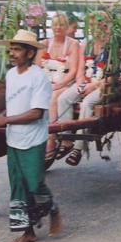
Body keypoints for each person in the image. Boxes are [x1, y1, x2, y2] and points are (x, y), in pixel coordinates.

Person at [0, 29, 62, 242]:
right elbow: (12, 107)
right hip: (13, 139)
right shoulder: (11, 75)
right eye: (11, 49)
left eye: (17, 49)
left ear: (30, 53)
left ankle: (52, 208)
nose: (12, 53)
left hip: (32, 139)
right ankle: (28, 232)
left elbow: (36, 113)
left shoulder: (39, 77)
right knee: (17, 186)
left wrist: (4, 121)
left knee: (35, 184)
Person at [57, 11, 112, 166]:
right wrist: (82, 85)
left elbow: (113, 75)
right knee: (64, 98)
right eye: (92, 25)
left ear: (105, 26)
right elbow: (81, 70)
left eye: (98, 24)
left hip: (105, 85)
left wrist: (93, 85)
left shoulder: (112, 45)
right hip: (87, 81)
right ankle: (66, 140)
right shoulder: (87, 44)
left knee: (87, 102)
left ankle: (78, 148)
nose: (94, 28)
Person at [35, 12, 80, 162]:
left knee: (53, 97)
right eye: (54, 25)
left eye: (61, 25)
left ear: (67, 27)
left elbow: (73, 71)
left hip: (65, 81)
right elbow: (37, 66)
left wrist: (58, 85)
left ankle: (51, 140)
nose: (57, 28)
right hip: (47, 80)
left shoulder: (72, 44)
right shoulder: (45, 43)